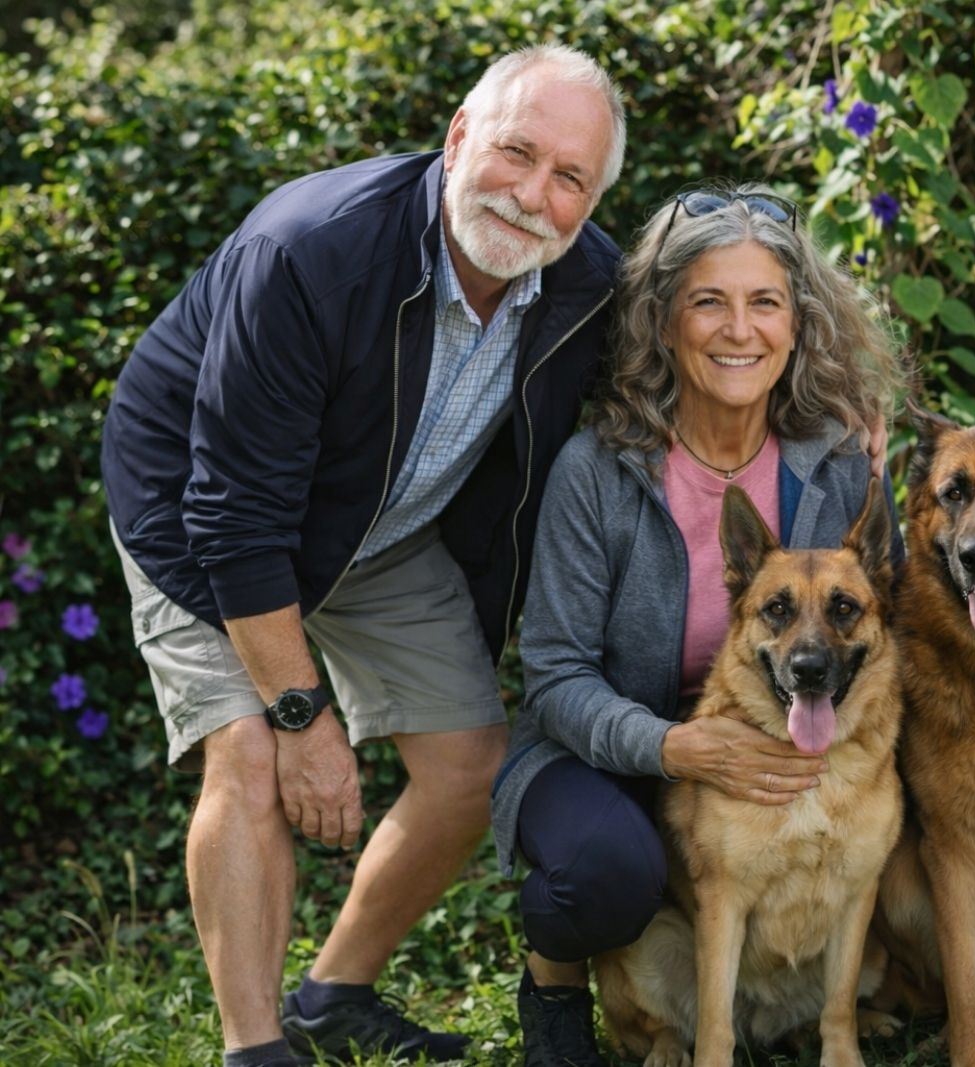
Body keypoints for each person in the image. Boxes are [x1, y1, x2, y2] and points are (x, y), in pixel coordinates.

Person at [100, 45, 627, 1067]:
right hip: (202, 516)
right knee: (249, 751)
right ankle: (255, 1048)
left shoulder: (588, 284)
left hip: (382, 522)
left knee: (473, 766)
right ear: (458, 136)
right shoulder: (311, 249)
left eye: (570, 178)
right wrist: (300, 712)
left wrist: (837, 420)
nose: (532, 195)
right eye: (516, 151)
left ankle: (333, 992)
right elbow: (237, 512)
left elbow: (700, 368)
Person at [489, 184, 904, 1067]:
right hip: (613, 746)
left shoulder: (837, 461)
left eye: (766, 303)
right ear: (662, 321)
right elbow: (556, 676)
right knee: (606, 870)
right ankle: (557, 995)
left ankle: (826, 1003)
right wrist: (677, 748)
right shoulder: (598, 471)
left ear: (800, 325)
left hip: (779, 735)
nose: (739, 329)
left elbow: (885, 615)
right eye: (708, 301)